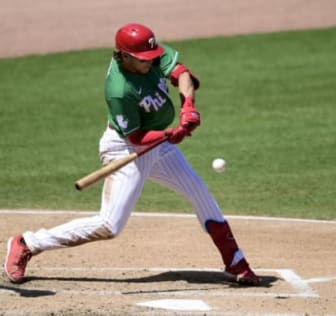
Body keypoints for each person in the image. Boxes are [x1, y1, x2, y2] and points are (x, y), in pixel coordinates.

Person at [4, 23, 260, 286]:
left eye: (151, 57)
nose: (149, 63)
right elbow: (135, 137)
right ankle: (27, 243)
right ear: (124, 55)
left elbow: (182, 74)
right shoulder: (119, 89)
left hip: (160, 141)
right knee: (109, 225)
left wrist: (188, 107)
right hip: (127, 147)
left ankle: (236, 262)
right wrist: (170, 134)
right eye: (142, 60)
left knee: (199, 193)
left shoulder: (148, 52)